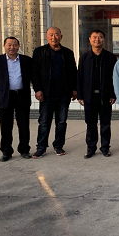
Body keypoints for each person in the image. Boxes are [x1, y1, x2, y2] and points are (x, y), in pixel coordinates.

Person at [31, 27, 77, 158]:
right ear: (46, 37)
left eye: (56, 34)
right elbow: (34, 72)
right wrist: (37, 89)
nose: (54, 37)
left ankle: (58, 145)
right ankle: (41, 147)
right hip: (46, 94)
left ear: (61, 37)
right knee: (44, 121)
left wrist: (75, 89)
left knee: (61, 121)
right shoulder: (39, 52)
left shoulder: (67, 53)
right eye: (51, 35)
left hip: (64, 93)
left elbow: (73, 72)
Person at [0, 37, 33, 162]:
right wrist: (3, 90)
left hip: (22, 95)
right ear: (4, 46)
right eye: (9, 45)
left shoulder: (26, 60)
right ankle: (6, 151)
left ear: (19, 46)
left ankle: (24, 149)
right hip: (5, 96)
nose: (12, 47)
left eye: (14, 45)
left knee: (23, 124)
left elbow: (31, 77)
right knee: (5, 126)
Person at [77, 29, 117, 159]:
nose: (97, 39)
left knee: (105, 124)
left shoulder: (110, 57)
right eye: (94, 37)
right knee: (91, 124)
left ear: (104, 40)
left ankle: (105, 148)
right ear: (90, 39)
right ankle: (91, 148)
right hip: (89, 96)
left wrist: (113, 94)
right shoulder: (84, 57)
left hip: (105, 96)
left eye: (100, 37)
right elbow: (80, 77)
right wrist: (80, 95)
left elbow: (115, 78)